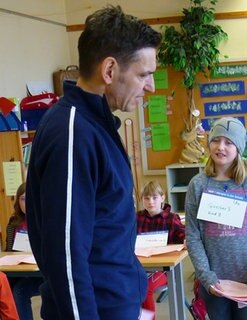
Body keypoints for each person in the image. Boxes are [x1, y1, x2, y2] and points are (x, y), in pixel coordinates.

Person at [25, 6, 161, 319]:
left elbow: (106, 229)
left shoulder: (95, 124)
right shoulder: (73, 132)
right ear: (110, 70)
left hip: (115, 305)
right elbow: (66, 257)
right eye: (144, 75)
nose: (151, 87)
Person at [185, 117, 247, 320]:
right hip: (215, 282)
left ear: (239, 148)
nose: (221, 147)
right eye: (216, 140)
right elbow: (192, 236)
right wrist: (206, 277)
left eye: (228, 142)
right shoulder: (198, 185)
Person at [136, 180, 185, 318]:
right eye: (146, 198)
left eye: (155, 197)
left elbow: (182, 233)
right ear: (141, 200)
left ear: (162, 197)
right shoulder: (137, 218)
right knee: (127, 285)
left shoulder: (171, 218)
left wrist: (186, 239)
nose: (150, 202)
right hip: (140, 266)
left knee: (144, 287)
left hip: (163, 270)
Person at [5, 183, 42, 320]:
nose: (26, 203)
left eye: (30, 198)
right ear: (18, 202)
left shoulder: (43, 220)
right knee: (6, 285)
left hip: (40, 272)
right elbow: (8, 250)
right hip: (18, 269)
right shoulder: (13, 222)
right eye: (23, 199)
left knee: (20, 291)